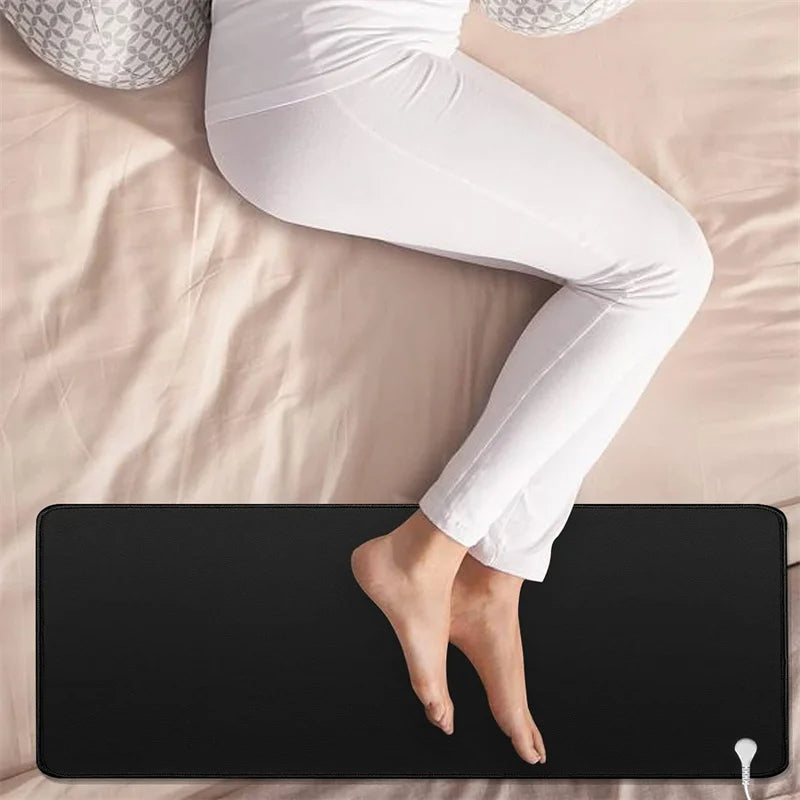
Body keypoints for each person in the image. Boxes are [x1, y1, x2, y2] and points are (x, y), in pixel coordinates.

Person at [5, 0, 713, 767]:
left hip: (290, 92)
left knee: (650, 274)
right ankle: (431, 551)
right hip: (347, 83)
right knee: (663, 268)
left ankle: (495, 575)